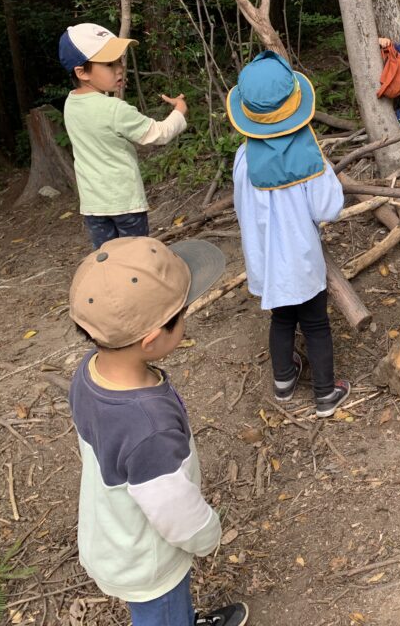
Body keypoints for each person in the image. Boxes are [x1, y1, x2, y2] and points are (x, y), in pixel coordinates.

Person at [68, 236, 248, 626]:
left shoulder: (90, 373)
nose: (185, 318)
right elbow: (174, 510)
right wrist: (208, 534)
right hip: (146, 559)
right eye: (182, 314)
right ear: (151, 340)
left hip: (115, 533)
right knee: (163, 614)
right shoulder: (149, 427)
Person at [227, 51, 351, 417]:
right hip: (301, 259)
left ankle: (283, 380)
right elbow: (328, 209)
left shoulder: (242, 158)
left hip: (264, 258)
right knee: (315, 323)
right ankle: (326, 394)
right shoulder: (311, 160)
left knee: (281, 318)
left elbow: (241, 207)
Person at [59, 23, 188, 249]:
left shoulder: (70, 104)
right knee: (137, 257)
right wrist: (179, 110)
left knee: (108, 260)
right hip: (125, 202)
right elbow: (159, 134)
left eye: (119, 61)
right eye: (109, 64)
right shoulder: (114, 109)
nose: (120, 68)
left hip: (93, 205)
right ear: (82, 72)